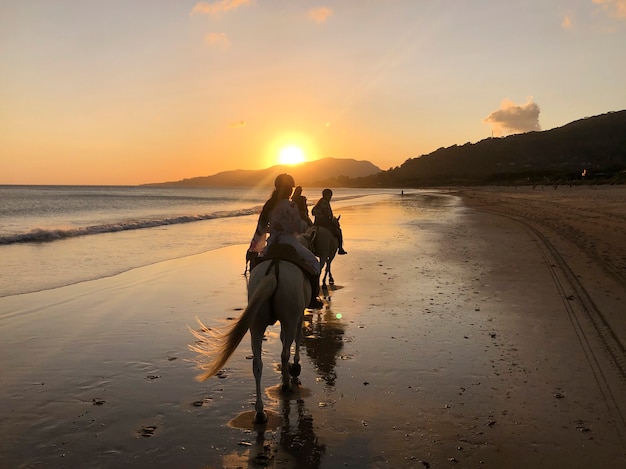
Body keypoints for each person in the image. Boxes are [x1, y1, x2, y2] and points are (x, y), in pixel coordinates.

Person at [247, 174, 324, 309]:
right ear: (289, 190)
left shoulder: (268, 205)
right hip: (291, 245)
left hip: (272, 245)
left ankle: (252, 298)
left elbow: (261, 229)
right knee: (314, 263)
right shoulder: (292, 206)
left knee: (255, 268)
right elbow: (296, 229)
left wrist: (253, 248)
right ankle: (313, 298)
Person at [311, 188, 347, 255]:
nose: (330, 197)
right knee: (338, 231)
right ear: (327, 195)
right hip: (324, 223)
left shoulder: (319, 202)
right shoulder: (325, 203)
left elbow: (312, 212)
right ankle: (340, 248)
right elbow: (329, 215)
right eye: (330, 195)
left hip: (316, 223)